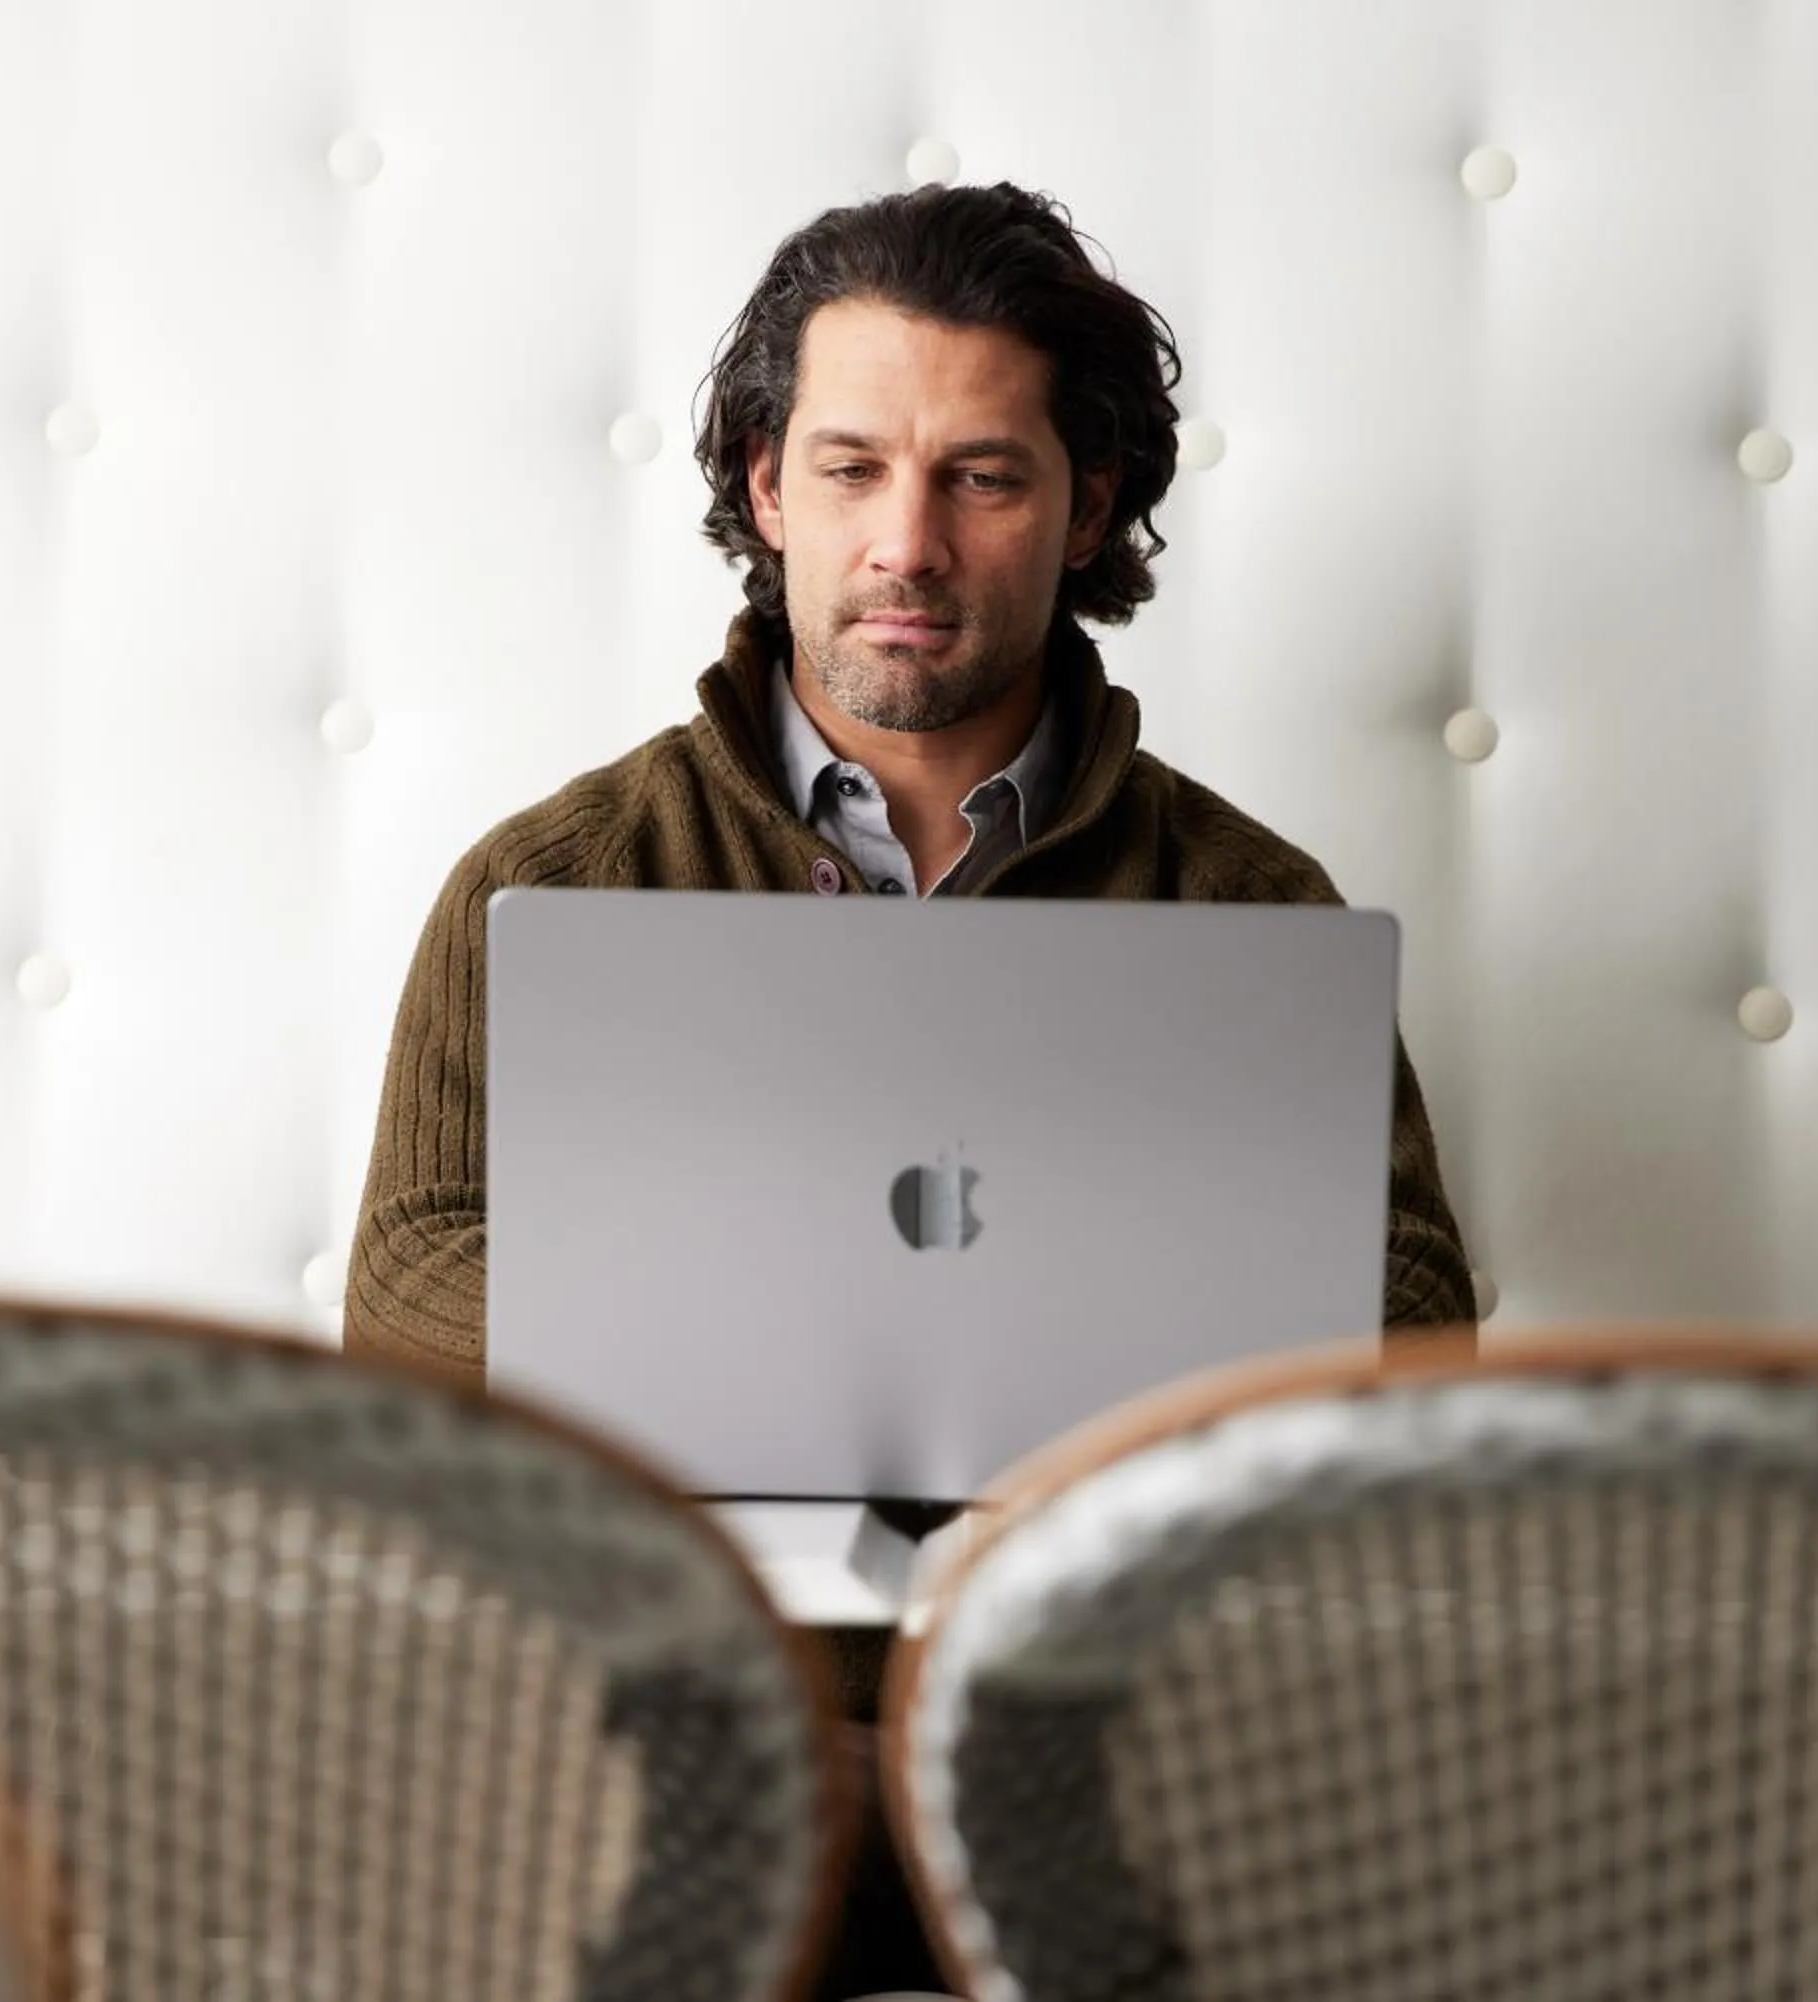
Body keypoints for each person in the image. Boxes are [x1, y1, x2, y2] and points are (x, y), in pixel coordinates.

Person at [345, 181, 1476, 1994]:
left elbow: (1411, 1321)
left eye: (983, 476)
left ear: (1088, 505)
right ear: (767, 486)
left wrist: (785, 1359)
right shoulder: (556, 881)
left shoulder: (1250, 905)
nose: (909, 543)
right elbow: (409, 1295)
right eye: (853, 467)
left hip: (1120, 1751)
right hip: (671, 1739)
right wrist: (945, 1346)